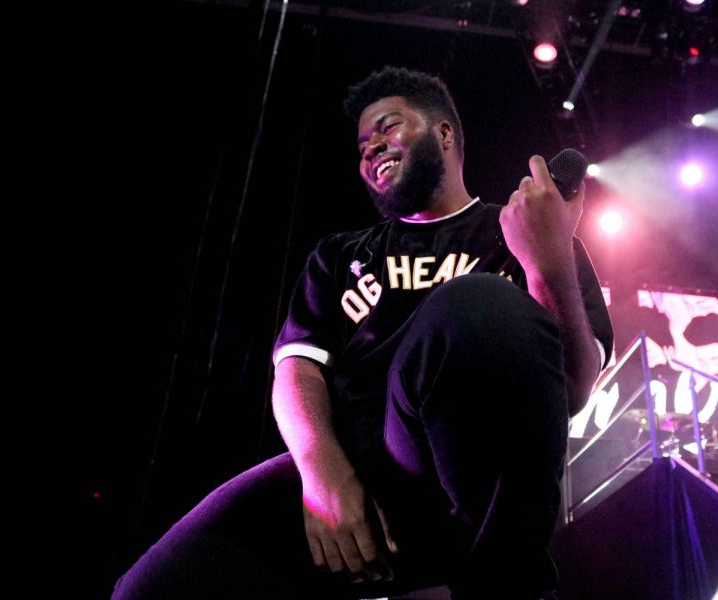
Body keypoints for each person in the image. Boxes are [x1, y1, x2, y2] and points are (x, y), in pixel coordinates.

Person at [112, 66, 613, 600]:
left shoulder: (523, 230)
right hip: (352, 461)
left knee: (479, 304)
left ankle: (510, 585)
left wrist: (551, 262)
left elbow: (575, 390)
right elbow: (296, 369)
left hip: (466, 476)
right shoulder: (340, 254)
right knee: (148, 588)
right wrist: (323, 475)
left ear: (444, 134)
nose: (371, 147)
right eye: (362, 143)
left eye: (388, 126)